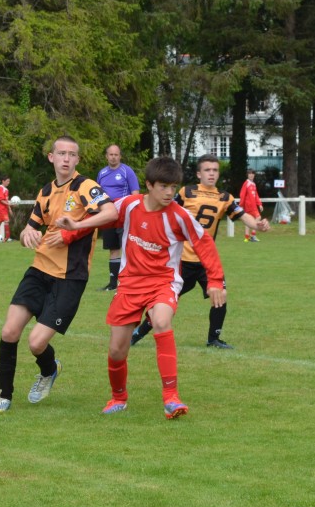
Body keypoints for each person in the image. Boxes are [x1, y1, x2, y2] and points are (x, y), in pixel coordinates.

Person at [59, 156, 226, 419]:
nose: (169, 192)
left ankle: (171, 398)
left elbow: (204, 243)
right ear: (149, 184)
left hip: (163, 282)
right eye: (163, 186)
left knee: (161, 321)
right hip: (129, 284)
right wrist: (70, 232)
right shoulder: (129, 205)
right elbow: (101, 219)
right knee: (117, 350)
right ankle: (118, 398)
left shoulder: (179, 216)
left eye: (173, 187)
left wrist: (215, 281)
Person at [0, 135, 116, 414]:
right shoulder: (45, 191)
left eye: (72, 154)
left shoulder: (85, 186)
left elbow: (110, 212)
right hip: (39, 269)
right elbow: (31, 228)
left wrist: (76, 226)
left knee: (36, 343)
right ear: (51, 157)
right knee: (9, 331)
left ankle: (49, 369)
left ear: (77, 159)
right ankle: (4, 396)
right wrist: (27, 232)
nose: (66, 159)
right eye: (61, 153)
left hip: (70, 277)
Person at [129, 154, 270, 349]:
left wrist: (258, 225)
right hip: (182, 260)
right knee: (164, 303)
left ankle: (214, 339)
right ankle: (137, 333)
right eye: (207, 170)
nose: (211, 174)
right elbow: (165, 209)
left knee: (220, 295)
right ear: (198, 174)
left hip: (206, 261)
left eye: (215, 170)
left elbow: (243, 216)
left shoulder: (224, 197)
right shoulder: (186, 192)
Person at [96, 144, 140, 289]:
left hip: (123, 216)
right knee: (113, 248)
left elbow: (135, 194)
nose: (113, 157)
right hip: (108, 216)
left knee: (128, 248)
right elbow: (97, 194)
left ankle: (129, 282)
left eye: (116, 154)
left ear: (120, 156)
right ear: (106, 156)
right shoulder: (102, 173)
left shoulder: (127, 171)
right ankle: (113, 283)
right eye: (111, 154)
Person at [239, 168, 263, 242]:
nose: (251, 175)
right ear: (247, 175)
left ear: (254, 175)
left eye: (252, 173)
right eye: (250, 173)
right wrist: (241, 205)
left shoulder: (253, 184)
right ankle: (253, 235)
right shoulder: (246, 183)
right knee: (258, 217)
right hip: (250, 206)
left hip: (253, 205)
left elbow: (256, 195)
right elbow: (242, 194)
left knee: (248, 220)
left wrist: (259, 204)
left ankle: (246, 237)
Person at [0, 175, 12, 242]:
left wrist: (9, 209)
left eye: (9, 181)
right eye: (7, 181)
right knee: (6, 221)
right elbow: (1, 200)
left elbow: (6, 200)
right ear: (3, 181)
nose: (8, 183)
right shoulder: (1, 189)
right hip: (0, 208)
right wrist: (9, 204)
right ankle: (7, 238)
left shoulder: (6, 190)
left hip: (3, 208)